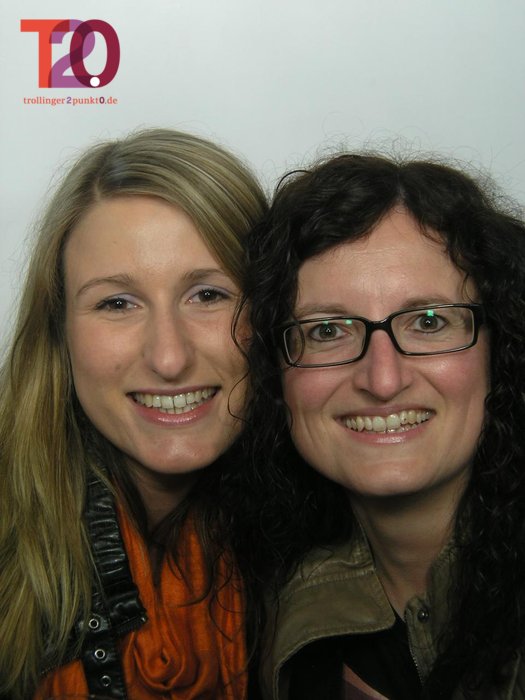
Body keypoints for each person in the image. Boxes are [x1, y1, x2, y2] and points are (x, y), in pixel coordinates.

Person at [238, 153, 525, 699]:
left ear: (502, 347)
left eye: (429, 321)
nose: (383, 379)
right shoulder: (270, 608)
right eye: (327, 330)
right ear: (275, 374)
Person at [0, 128, 267, 700]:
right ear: (59, 333)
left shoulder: (327, 548)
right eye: (117, 303)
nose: (169, 357)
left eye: (208, 295)